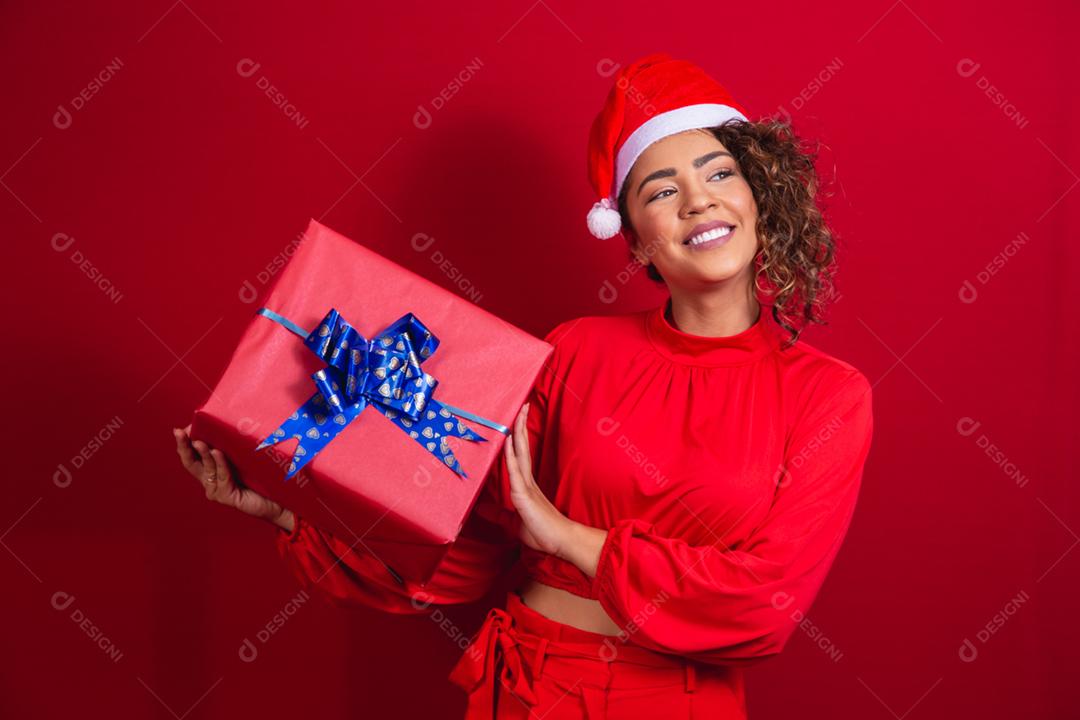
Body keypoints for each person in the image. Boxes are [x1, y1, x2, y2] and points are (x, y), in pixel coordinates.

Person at [174, 52, 875, 719]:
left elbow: (762, 606)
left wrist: (568, 537)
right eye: (662, 191)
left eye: (718, 174)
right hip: (531, 686)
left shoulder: (828, 397)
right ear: (633, 238)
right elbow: (460, 548)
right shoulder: (573, 351)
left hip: (679, 701)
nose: (697, 202)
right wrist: (288, 513)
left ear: (758, 196)